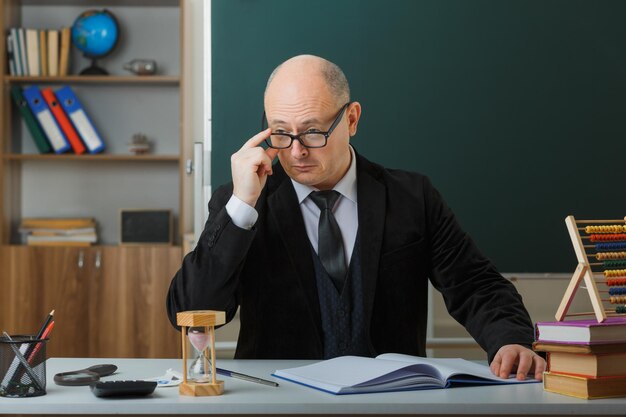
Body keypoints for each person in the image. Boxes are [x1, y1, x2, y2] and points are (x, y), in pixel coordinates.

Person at [167, 54, 546, 381]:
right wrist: (241, 206)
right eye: (281, 133)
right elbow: (190, 312)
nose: (296, 151)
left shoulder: (412, 198)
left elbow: (475, 284)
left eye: (313, 132)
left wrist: (511, 339)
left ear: (351, 119)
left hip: (392, 400)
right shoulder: (242, 203)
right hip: (280, 403)